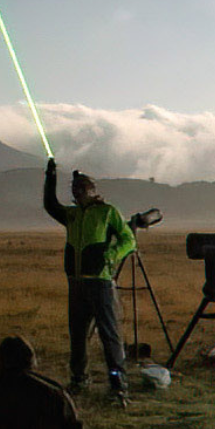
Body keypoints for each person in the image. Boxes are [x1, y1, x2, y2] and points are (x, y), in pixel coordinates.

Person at [43, 160, 136, 399]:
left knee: (109, 335)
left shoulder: (107, 212)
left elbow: (129, 240)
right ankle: (79, 380)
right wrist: (50, 176)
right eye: (75, 189)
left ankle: (118, 386)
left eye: (82, 188)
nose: (78, 192)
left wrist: (113, 254)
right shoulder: (71, 215)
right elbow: (50, 204)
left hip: (100, 282)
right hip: (76, 283)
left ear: (93, 191)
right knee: (78, 335)